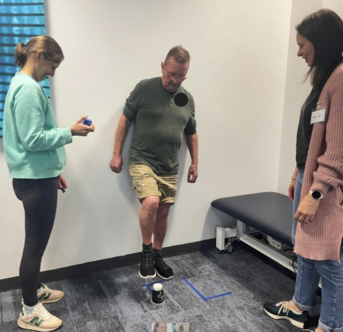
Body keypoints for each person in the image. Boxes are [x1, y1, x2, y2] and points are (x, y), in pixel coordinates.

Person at [3, 36, 95, 331]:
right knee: (34, 247)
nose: (53, 73)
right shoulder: (29, 89)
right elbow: (33, 140)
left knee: (36, 245)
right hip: (34, 179)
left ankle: (35, 290)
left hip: (37, 175)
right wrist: (71, 132)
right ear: (40, 56)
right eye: (53, 65)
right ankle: (29, 310)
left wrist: (53, 171)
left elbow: (36, 134)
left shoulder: (21, 83)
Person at [263, 9, 343, 332]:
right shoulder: (324, 78)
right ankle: (299, 307)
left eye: (302, 45)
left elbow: (337, 150)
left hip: (326, 188)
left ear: (320, 43)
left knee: (328, 259)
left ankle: (331, 325)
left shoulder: (340, 80)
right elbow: (313, 139)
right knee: (306, 250)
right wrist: (299, 175)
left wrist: (315, 191)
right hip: (310, 178)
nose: (298, 52)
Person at [110, 46, 198, 280]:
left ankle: (158, 255)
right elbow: (124, 121)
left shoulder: (187, 99)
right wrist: (116, 153)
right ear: (162, 67)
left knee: (163, 211)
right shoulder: (144, 88)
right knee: (151, 202)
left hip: (169, 165)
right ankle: (147, 252)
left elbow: (192, 133)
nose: (175, 80)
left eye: (181, 75)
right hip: (142, 160)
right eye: (171, 74)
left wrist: (195, 163)